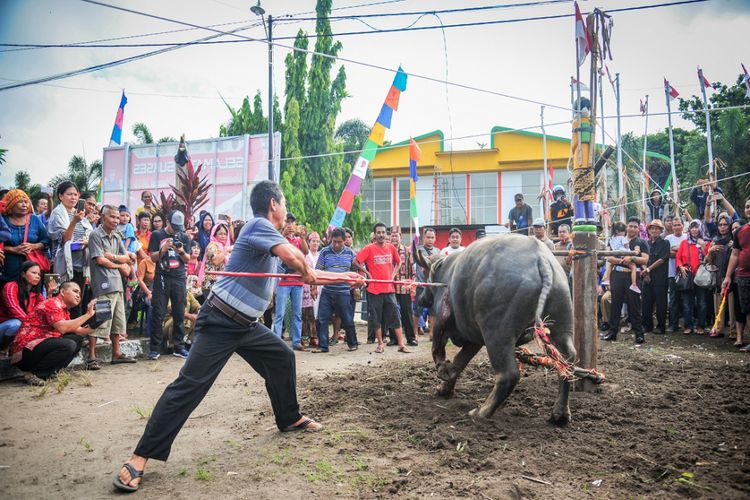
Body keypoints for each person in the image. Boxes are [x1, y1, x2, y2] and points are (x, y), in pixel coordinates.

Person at [113, 181, 363, 493]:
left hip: (245, 324)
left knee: (282, 357)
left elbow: (304, 273)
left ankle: (288, 418)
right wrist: (309, 270)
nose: (286, 211)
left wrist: (346, 276)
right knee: (190, 386)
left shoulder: (269, 239)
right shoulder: (259, 226)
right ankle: (140, 456)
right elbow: (299, 263)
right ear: (274, 204)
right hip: (219, 321)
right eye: (284, 204)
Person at [10, 281, 97, 385]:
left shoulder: (64, 310)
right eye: (75, 291)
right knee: (68, 344)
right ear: (62, 292)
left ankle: (52, 372)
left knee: (77, 339)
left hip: (37, 348)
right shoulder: (53, 303)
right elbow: (62, 328)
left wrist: (98, 321)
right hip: (25, 353)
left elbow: (80, 331)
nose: (78, 295)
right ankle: (35, 374)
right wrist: (87, 315)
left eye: (79, 293)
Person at [87, 205, 137, 369]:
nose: (116, 220)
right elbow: (100, 260)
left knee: (117, 321)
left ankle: (116, 354)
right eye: (113, 217)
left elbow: (128, 258)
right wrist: (119, 264)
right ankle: (91, 356)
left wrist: (114, 258)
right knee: (100, 320)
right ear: (103, 217)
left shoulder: (116, 235)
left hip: (117, 284)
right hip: (103, 283)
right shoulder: (95, 234)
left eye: (118, 217)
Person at [356, 222, 410, 354]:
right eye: (378, 232)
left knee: (395, 317)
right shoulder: (369, 248)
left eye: (383, 232)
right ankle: (380, 344)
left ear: (386, 234)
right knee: (376, 318)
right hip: (374, 290)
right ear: (375, 234)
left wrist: (393, 274)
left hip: (389, 289)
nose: (381, 235)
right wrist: (367, 273)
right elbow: (356, 261)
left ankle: (401, 344)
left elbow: (399, 262)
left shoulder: (391, 248)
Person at [147, 211, 192, 360]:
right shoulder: (157, 235)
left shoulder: (184, 236)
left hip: (179, 278)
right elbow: (152, 257)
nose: (176, 230)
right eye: (174, 227)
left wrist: (181, 251)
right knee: (158, 312)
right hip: (162, 276)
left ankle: (178, 346)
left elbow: (188, 259)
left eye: (179, 227)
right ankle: (155, 348)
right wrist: (163, 249)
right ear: (168, 222)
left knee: (179, 312)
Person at [49, 190, 97, 317]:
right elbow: (65, 240)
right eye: (69, 194)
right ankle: (60, 330)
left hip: (80, 265)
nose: (73, 197)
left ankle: (74, 332)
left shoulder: (81, 216)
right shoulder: (58, 214)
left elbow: (89, 237)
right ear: (60, 196)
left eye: (75, 194)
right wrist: (74, 221)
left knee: (76, 301)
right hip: (63, 266)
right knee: (61, 299)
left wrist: (87, 242)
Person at [603, 217, 650, 344]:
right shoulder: (615, 240)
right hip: (617, 274)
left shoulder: (641, 242)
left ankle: (639, 334)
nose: (632, 229)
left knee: (634, 306)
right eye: (630, 226)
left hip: (632, 276)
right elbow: (609, 257)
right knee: (615, 305)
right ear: (626, 227)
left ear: (639, 228)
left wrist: (632, 259)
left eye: (635, 227)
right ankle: (612, 333)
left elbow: (645, 260)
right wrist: (622, 261)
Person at [314, 228, 359, 352]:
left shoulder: (350, 253)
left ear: (345, 241)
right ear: (330, 240)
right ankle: (323, 346)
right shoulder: (324, 252)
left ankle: (353, 344)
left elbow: (355, 272)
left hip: (344, 292)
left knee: (348, 319)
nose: (336, 244)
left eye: (339, 242)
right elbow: (317, 271)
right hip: (327, 291)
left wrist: (356, 288)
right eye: (334, 242)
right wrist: (314, 287)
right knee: (322, 318)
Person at [273, 213, 308, 350]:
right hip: (283, 280)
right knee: (279, 313)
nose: (290, 224)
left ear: (295, 224)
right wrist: (282, 234)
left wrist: (303, 237)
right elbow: (276, 249)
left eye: (292, 222)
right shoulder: (279, 238)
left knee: (297, 313)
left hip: (297, 280)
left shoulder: (299, 240)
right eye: (287, 222)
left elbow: (305, 251)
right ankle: (276, 342)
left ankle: (296, 341)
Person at [0, 189, 50, 284]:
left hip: (31, 272)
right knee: (9, 293)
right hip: (8, 271)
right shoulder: (3, 220)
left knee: (30, 295)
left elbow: (46, 240)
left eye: (26, 202)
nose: (24, 205)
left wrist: (33, 246)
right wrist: (12, 249)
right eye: (20, 202)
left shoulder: (34, 219)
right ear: (11, 204)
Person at [723, 198, 750, 351]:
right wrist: (727, 276)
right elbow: (735, 255)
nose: (748, 209)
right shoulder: (740, 231)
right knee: (747, 310)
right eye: (747, 207)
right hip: (744, 277)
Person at [1, 262, 44, 356]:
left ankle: (15, 350)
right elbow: (14, 308)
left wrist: (49, 294)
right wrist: (32, 324)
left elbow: (44, 311)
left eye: (39, 274)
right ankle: (3, 349)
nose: (37, 276)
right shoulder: (11, 286)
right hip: (4, 327)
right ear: (23, 274)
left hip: (23, 328)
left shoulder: (37, 295)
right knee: (16, 324)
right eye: (33, 273)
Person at [676, 220, 709, 335]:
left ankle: (701, 326)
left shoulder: (706, 242)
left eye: (696, 227)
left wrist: (704, 245)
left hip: (701, 276)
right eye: (692, 227)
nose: (694, 230)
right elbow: (678, 257)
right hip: (687, 275)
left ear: (701, 228)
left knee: (702, 302)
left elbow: (710, 259)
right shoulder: (684, 243)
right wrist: (680, 267)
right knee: (686, 302)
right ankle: (688, 325)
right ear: (689, 229)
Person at [390, 226, 418, 346]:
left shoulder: (407, 251)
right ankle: (394, 338)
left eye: (396, 235)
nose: (394, 237)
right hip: (390, 287)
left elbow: (412, 270)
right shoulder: (386, 250)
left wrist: (411, 285)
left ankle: (411, 338)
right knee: (392, 313)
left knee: (407, 313)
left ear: (401, 237)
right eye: (392, 234)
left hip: (404, 287)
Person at [706, 214, 734, 337]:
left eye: (725, 224)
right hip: (717, 276)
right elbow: (708, 261)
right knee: (718, 304)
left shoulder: (733, 240)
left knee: (732, 306)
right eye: (720, 225)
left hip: (731, 276)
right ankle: (718, 328)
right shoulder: (715, 240)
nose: (722, 227)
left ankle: (733, 331)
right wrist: (710, 251)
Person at [641, 219, 670, 335]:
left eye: (657, 228)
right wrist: (645, 271)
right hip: (646, 278)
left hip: (660, 278)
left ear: (661, 230)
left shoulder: (665, 243)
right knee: (646, 302)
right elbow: (643, 259)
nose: (654, 230)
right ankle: (647, 326)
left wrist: (648, 269)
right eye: (652, 228)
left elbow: (662, 259)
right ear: (648, 230)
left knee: (661, 303)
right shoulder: (645, 244)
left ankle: (661, 326)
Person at [414, 227, 438, 339]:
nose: (430, 239)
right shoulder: (418, 250)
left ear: (435, 238)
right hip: (420, 284)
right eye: (428, 237)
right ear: (424, 238)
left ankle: (432, 333)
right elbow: (411, 263)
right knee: (417, 309)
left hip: (433, 285)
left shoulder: (438, 251)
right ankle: (415, 332)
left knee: (433, 310)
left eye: (432, 237)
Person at [198, 221, 232, 298]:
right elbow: (216, 261)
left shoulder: (224, 247)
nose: (223, 236)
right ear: (214, 234)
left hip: (221, 284)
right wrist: (225, 251)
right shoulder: (212, 246)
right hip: (210, 284)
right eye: (220, 234)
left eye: (225, 234)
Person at [665, 218, 686, 332]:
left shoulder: (687, 237)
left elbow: (688, 253)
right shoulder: (668, 238)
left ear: (683, 225)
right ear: (672, 227)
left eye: (679, 224)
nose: (677, 227)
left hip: (686, 272)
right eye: (675, 225)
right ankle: (673, 324)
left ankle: (688, 324)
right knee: (673, 299)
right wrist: (681, 251)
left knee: (687, 298)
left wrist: (676, 250)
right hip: (672, 272)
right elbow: (667, 254)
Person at [302, 232, 321, 347]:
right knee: (307, 312)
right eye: (313, 241)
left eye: (317, 241)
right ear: (308, 242)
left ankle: (316, 335)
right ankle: (306, 336)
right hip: (306, 286)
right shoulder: (305, 255)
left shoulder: (321, 255)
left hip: (320, 286)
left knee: (318, 312)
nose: (315, 243)